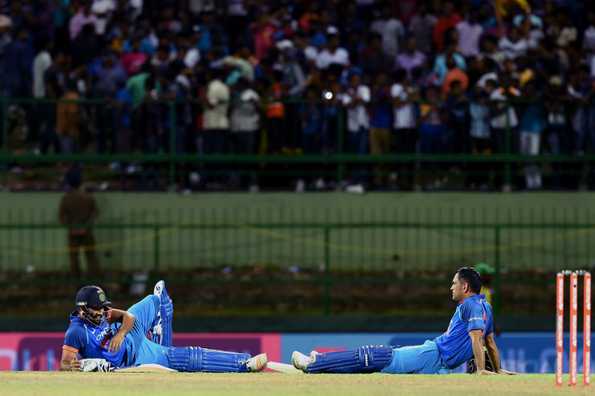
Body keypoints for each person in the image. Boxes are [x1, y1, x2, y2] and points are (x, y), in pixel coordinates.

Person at [291, 267, 514, 375]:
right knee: (376, 359)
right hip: (439, 364)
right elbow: (490, 343)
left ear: (465, 287)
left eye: (454, 283)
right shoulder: (487, 307)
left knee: (376, 356)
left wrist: (484, 370)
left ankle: (315, 363)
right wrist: (499, 369)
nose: (451, 287)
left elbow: (477, 339)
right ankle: (320, 359)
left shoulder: (469, 305)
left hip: (433, 355)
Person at [60, 281, 268, 372]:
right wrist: (78, 367)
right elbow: (64, 364)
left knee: (156, 298)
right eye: (97, 309)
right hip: (134, 358)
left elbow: (129, 317)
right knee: (187, 358)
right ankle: (243, 363)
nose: (102, 312)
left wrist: (121, 334)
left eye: (103, 307)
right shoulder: (77, 332)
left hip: (131, 336)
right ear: (83, 309)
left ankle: (160, 332)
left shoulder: (105, 313)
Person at [59, 166, 100, 278]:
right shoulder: (88, 197)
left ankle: (76, 282)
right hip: (87, 231)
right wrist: (86, 226)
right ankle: (94, 280)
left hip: (73, 232)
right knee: (91, 257)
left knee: (74, 258)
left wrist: (72, 227)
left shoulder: (66, 198)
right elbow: (95, 213)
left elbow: (62, 218)